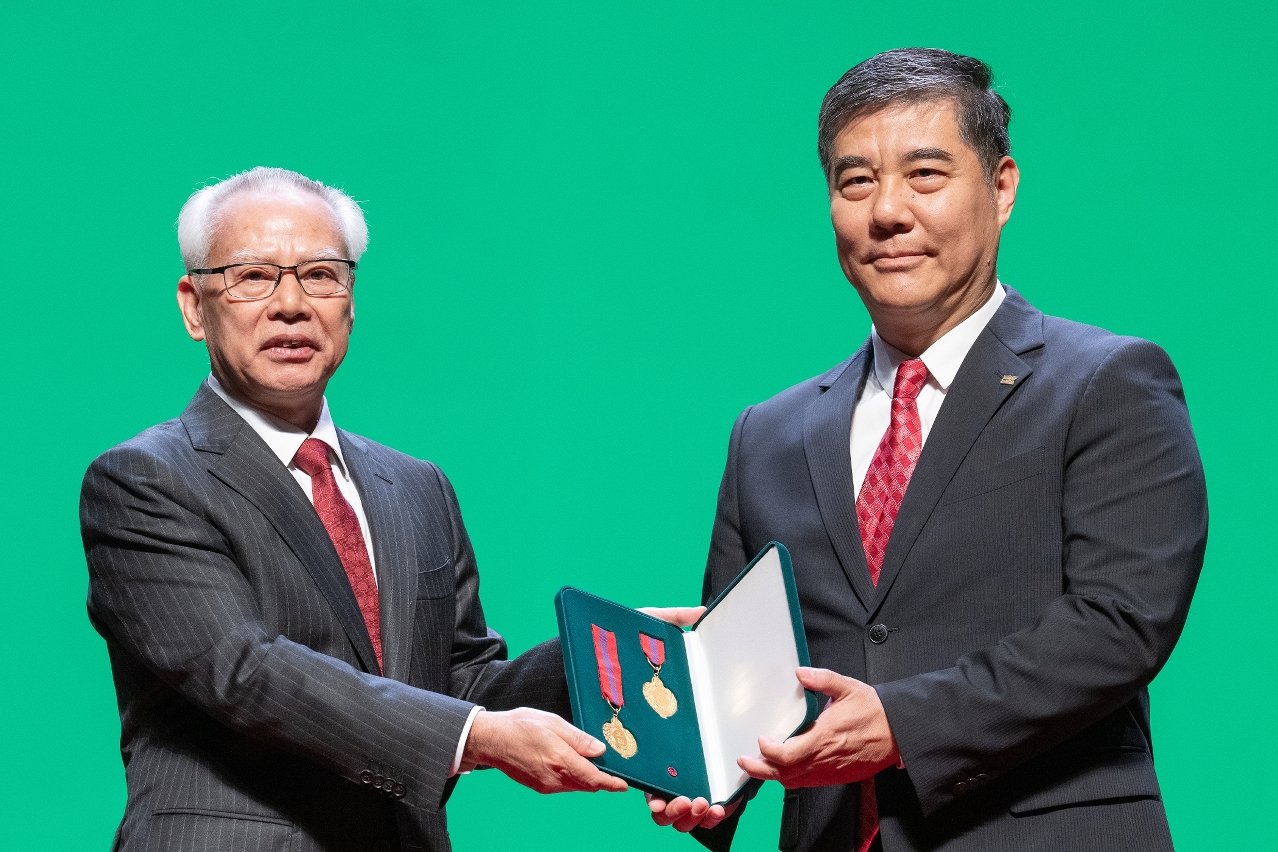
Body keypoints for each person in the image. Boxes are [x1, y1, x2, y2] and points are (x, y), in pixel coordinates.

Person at [649, 48, 1207, 852]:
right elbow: (754, 677)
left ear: (1002, 188)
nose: (887, 212)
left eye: (925, 175)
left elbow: (1121, 622)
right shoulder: (766, 435)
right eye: (855, 182)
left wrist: (902, 723)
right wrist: (702, 768)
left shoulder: (1107, 383)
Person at [80, 167, 640, 852]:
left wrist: (604, 656)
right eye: (253, 277)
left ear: (350, 303)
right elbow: (245, 670)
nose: (291, 304)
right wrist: (477, 736)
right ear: (194, 306)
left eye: (321, 275)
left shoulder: (418, 486)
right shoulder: (144, 480)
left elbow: (460, 684)